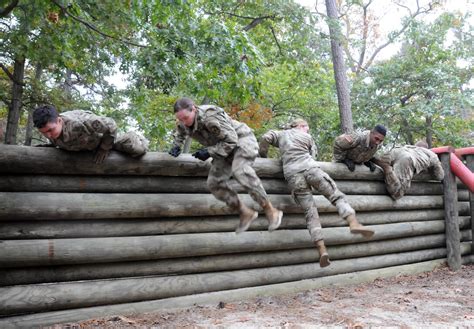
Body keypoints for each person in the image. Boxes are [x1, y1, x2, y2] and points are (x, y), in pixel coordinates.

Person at [259, 118, 374, 268]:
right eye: (307, 127)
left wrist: (263, 155)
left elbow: (265, 138)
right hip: (310, 169)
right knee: (335, 195)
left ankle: (322, 250)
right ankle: (353, 223)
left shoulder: (281, 134)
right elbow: (313, 156)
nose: (308, 130)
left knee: (310, 213)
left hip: (293, 176)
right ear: (300, 126)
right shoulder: (307, 137)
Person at [169, 97, 282, 233]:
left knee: (240, 171)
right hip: (222, 147)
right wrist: (176, 146)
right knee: (214, 183)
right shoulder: (184, 121)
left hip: (241, 140)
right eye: (180, 119)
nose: (183, 122)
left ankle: (271, 210)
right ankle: (245, 212)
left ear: (193, 109)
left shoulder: (210, 118)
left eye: (185, 118)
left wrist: (209, 152)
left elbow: (231, 140)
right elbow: (181, 131)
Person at [33, 105, 148, 164]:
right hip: (86, 148)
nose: (48, 135)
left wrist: (104, 148)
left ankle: (135, 137)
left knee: (137, 149)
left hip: (104, 141)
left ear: (59, 121)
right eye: (44, 133)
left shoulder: (82, 122)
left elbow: (111, 124)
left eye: (50, 130)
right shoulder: (53, 131)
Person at [373, 141, 444, 200]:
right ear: (427, 148)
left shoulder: (408, 147)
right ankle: (387, 169)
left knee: (382, 160)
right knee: (397, 194)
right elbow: (440, 176)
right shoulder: (431, 154)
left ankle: (378, 161)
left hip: (396, 151)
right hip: (407, 158)